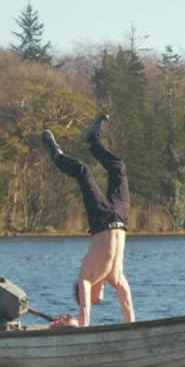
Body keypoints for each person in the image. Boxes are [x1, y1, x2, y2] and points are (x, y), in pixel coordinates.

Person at [43, 113, 135, 327]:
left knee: (83, 171)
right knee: (118, 168)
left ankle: (80, 146)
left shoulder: (85, 276)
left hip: (101, 219)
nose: (99, 300)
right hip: (121, 218)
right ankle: (92, 141)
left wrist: (81, 326)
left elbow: (84, 312)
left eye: (96, 299)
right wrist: (133, 330)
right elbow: (128, 307)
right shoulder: (115, 275)